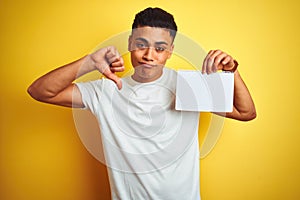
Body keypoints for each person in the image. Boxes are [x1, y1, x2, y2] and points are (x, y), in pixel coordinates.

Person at [28, 7, 256, 200]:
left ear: (170, 52)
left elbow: (246, 112)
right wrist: (88, 63)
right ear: (129, 43)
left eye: (159, 48)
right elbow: (39, 91)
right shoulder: (106, 89)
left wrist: (232, 73)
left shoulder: (186, 85)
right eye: (141, 44)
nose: (149, 55)